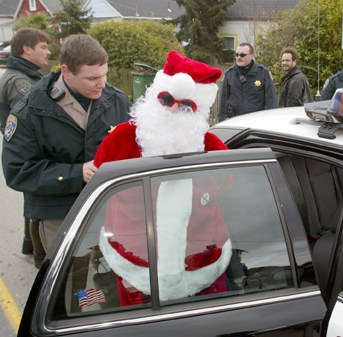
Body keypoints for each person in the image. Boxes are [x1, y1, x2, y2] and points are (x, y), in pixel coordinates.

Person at [94, 50, 233, 306]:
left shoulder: (211, 146)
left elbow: (227, 185)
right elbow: (99, 182)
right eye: (167, 100)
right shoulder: (121, 139)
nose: (175, 109)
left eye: (187, 106)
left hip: (202, 269)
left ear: (199, 110)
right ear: (155, 96)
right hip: (134, 269)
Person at [2, 34, 131, 266]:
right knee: (72, 284)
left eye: (105, 75)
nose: (102, 84)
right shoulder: (30, 112)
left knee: (110, 279)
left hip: (110, 208)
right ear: (66, 72)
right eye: (92, 78)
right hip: (59, 214)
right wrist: (77, 173)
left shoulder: (118, 101)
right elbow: (17, 170)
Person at [0, 28, 51, 259]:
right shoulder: (21, 82)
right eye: (43, 47)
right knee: (37, 206)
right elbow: (36, 121)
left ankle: (30, 244)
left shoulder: (24, 76)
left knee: (33, 205)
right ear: (26, 49)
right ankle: (42, 255)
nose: (48, 52)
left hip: (27, 152)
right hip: (31, 153)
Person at [218, 42, 278, 122]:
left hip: (256, 122)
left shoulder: (263, 73)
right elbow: (222, 101)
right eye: (237, 55)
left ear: (251, 56)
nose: (239, 57)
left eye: (242, 55)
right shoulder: (229, 74)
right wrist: (221, 122)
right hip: (235, 121)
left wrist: (271, 121)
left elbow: (271, 101)